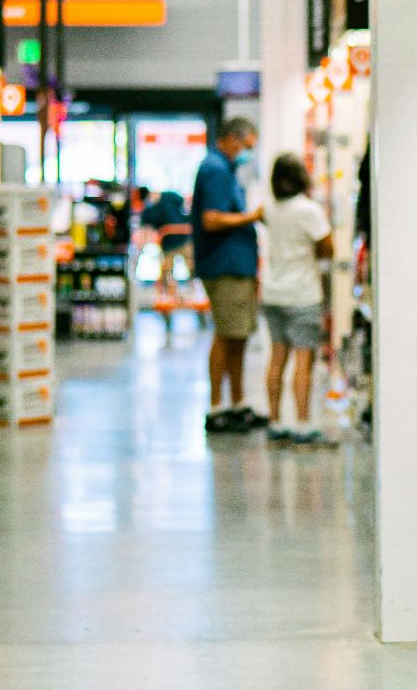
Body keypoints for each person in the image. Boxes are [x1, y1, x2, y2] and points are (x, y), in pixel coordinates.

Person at [191, 117, 263, 433]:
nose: (247, 154)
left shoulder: (225, 170)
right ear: (232, 139)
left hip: (237, 266)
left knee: (238, 336)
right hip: (224, 268)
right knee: (225, 334)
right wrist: (252, 216)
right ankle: (217, 406)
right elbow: (211, 219)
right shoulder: (216, 170)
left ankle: (237, 402)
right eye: (246, 147)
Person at [259, 153, 334, 446]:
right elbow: (327, 248)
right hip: (302, 294)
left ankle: (276, 422)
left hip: (273, 292)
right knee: (304, 359)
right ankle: (303, 425)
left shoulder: (269, 209)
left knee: (277, 357)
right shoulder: (309, 210)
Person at [138, 186, 191, 301]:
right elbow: (146, 230)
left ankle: (192, 293)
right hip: (167, 245)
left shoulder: (170, 196)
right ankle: (171, 298)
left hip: (184, 239)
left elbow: (186, 204)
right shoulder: (149, 211)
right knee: (167, 273)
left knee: (192, 268)